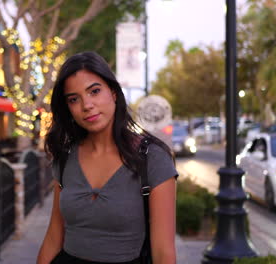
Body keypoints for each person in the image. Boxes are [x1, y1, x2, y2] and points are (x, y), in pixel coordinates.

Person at [37, 51, 178, 264]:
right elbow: (54, 237)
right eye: (74, 99)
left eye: (94, 91)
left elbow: (163, 253)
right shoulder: (65, 157)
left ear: (113, 92)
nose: (87, 105)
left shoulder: (152, 158)